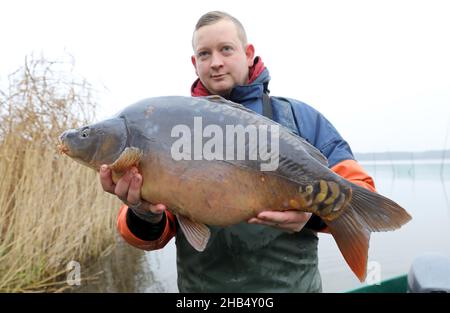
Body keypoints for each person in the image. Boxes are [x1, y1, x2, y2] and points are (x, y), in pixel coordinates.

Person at [99, 11, 376, 292]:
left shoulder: (299, 118)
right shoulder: (170, 127)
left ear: (248, 53)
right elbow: (148, 239)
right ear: (195, 64)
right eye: (204, 54)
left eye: (226, 49)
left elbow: (362, 192)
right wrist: (144, 211)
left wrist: (312, 216)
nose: (216, 62)